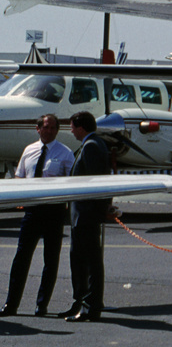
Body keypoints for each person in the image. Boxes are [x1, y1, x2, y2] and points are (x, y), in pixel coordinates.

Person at [0, 114, 75, 317]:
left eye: (52, 128)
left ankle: (42, 305)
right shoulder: (29, 150)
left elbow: (72, 183)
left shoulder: (66, 153)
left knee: (50, 260)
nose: (49, 131)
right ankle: (11, 304)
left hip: (54, 212)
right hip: (32, 212)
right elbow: (20, 176)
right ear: (38, 129)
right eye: (46, 127)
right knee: (21, 258)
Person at [60, 111, 111, 322]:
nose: (71, 131)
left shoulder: (91, 147)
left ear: (80, 127)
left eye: (72, 126)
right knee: (84, 262)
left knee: (88, 263)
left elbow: (95, 185)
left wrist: (99, 210)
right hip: (83, 215)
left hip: (86, 216)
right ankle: (82, 303)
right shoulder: (93, 144)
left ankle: (90, 307)